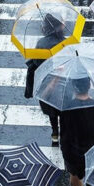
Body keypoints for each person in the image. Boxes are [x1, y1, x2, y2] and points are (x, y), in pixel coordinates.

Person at [24, 14, 66, 145]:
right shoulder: (65, 43)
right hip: (62, 82)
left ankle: (55, 132)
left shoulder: (41, 43)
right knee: (63, 109)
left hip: (46, 83)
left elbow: (36, 63)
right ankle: (63, 132)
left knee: (51, 110)